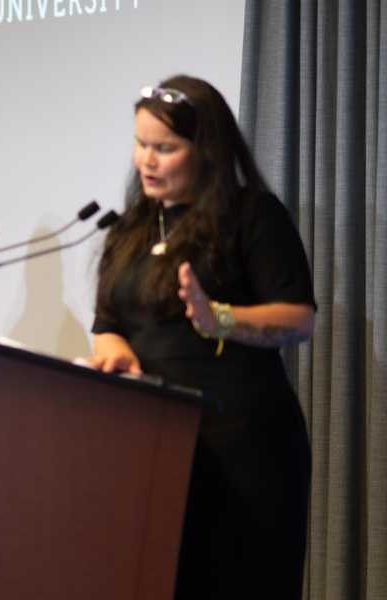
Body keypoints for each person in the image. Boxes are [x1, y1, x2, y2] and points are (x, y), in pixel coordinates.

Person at [90, 75, 313, 599]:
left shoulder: (252, 216)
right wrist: (119, 357)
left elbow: (300, 320)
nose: (147, 160)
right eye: (142, 145)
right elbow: (107, 327)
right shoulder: (130, 231)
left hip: (242, 450)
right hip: (156, 446)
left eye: (164, 148)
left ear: (206, 151)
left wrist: (222, 320)